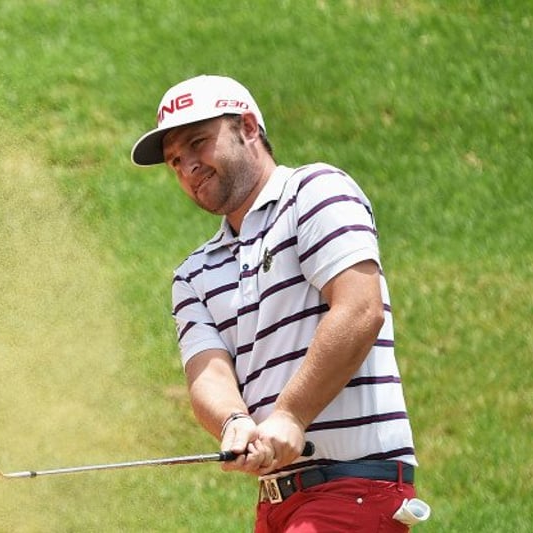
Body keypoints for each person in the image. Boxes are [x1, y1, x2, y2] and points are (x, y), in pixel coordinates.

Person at [129, 75, 421, 531]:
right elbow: (208, 372)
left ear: (247, 126)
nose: (187, 166)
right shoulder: (193, 273)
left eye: (199, 143)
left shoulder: (316, 192)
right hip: (277, 506)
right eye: (174, 160)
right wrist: (233, 422)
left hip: (356, 487)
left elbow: (360, 309)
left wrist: (290, 416)